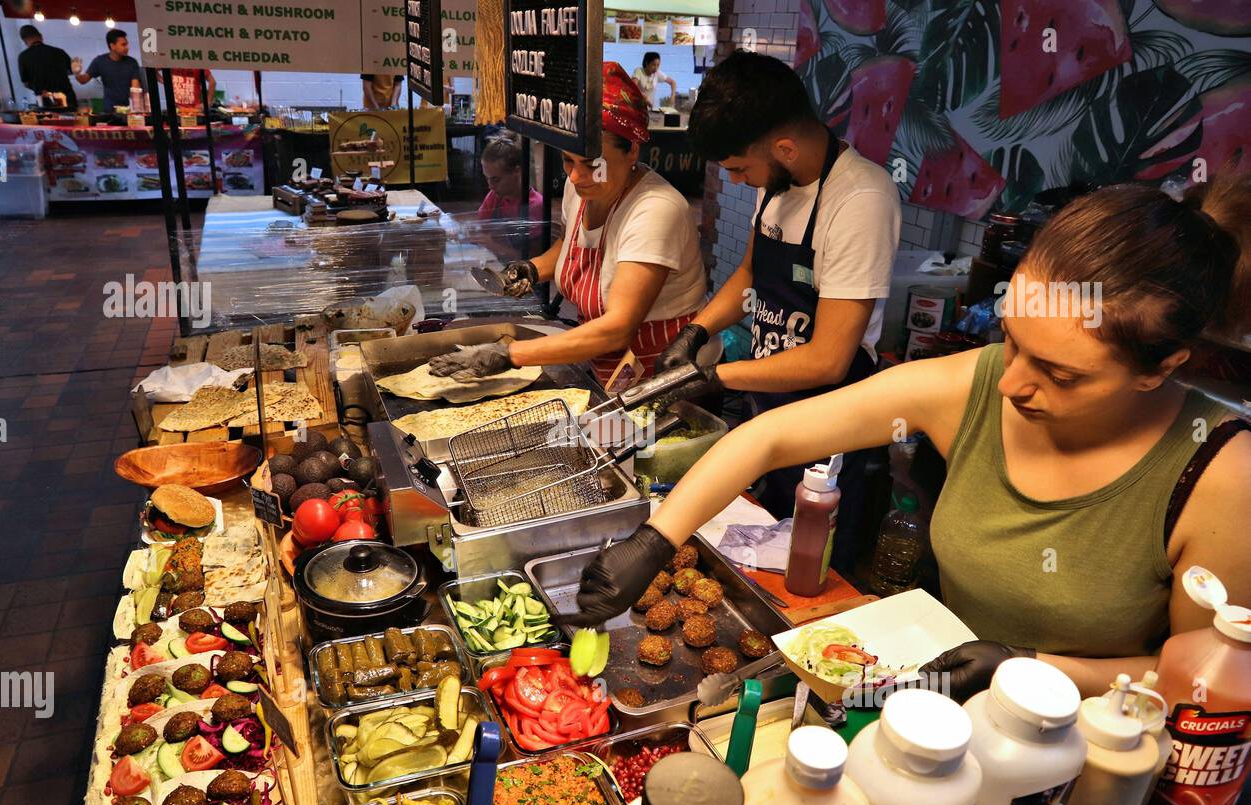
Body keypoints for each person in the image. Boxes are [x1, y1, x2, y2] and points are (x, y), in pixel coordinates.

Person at [562, 175, 1251, 702]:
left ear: (1164, 366)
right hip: (937, 711)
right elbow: (772, 438)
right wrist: (655, 539)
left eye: (1061, 374)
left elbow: (1209, 679)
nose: (1012, 385)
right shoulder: (972, 385)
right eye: (1012, 342)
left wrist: (1034, 668)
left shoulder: (1220, 475)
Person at [658, 50, 900, 549]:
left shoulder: (860, 201)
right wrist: (695, 333)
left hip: (829, 431)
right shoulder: (780, 182)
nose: (735, 181)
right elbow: (750, 273)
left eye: (740, 168)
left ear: (785, 147)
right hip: (768, 406)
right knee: (760, 545)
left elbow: (830, 360)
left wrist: (713, 375)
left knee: (812, 564)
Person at [430, 63, 707, 386]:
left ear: (632, 149)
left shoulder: (656, 210)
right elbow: (572, 246)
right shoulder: (583, 188)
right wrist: (533, 269)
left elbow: (618, 328)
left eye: (591, 164)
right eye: (567, 161)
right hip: (611, 368)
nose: (575, 177)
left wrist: (510, 354)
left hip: (667, 378)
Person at [477, 134, 544, 244]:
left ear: (516, 171)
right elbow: (481, 229)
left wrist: (492, 246)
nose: (490, 186)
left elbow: (534, 257)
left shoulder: (535, 205)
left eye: (496, 180)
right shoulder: (494, 196)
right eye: (487, 178)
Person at [74, 29, 145, 110]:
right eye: (123, 45)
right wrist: (77, 73)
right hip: (109, 109)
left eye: (127, 44)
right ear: (112, 46)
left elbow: (135, 88)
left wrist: (137, 108)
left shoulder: (132, 62)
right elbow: (83, 80)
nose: (127, 47)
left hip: (129, 109)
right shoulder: (100, 61)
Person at [16, 24, 77, 110]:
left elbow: (25, 82)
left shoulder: (23, 57)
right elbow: (72, 71)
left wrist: (38, 87)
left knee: (49, 122)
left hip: (45, 102)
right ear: (41, 36)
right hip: (68, 99)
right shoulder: (59, 52)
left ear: (24, 40)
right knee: (73, 122)